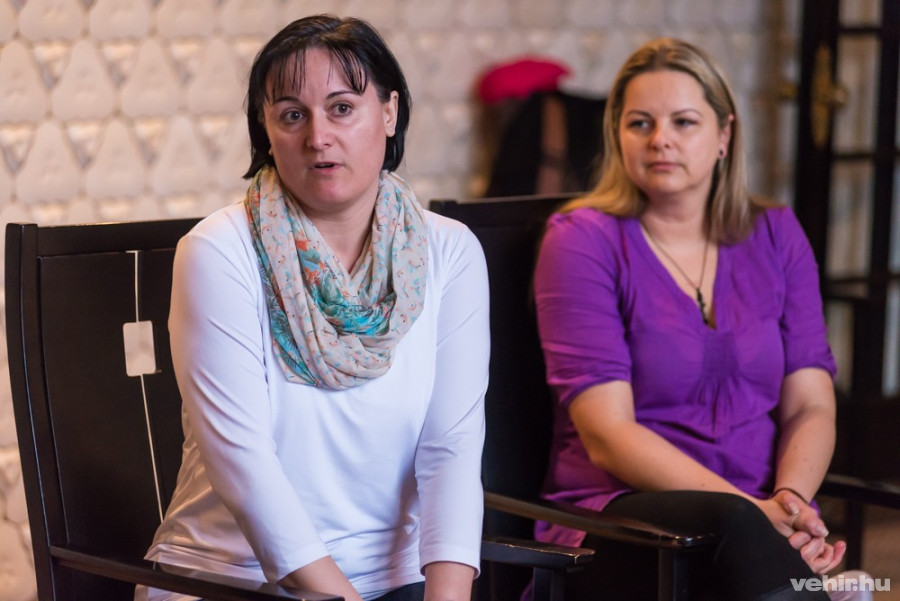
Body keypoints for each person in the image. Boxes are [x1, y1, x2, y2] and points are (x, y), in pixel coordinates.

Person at [137, 15, 489, 601]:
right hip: (235, 578)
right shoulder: (218, 251)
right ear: (267, 129)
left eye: (342, 108)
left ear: (389, 112)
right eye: (292, 115)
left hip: (395, 580)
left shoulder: (449, 251)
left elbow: (451, 449)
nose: (318, 136)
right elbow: (244, 462)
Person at [532, 37, 869, 600]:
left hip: (761, 516)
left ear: (724, 135)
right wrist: (754, 515)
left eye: (684, 122)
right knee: (731, 526)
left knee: (741, 535)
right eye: (640, 123)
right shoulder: (581, 241)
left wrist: (789, 506)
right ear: (618, 134)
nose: (660, 139)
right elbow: (608, 435)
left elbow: (811, 403)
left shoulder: (776, 233)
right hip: (619, 521)